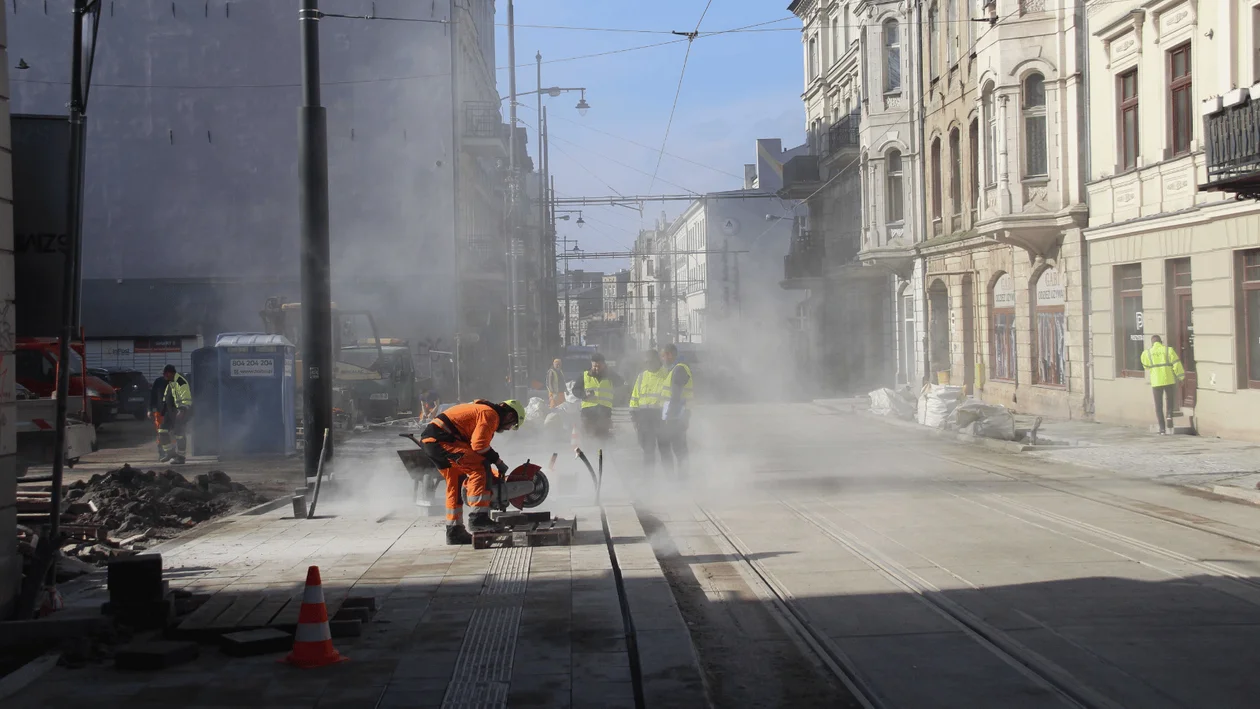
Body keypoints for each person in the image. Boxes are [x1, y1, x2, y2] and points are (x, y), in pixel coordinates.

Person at [419, 398, 525, 545]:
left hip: (433, 442)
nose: (508, 429)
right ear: (510, 416)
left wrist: (495, 473)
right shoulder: (490, 415)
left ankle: (454, 531)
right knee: (480, 468)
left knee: (456, 483)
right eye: (512, 425)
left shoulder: (482, 410)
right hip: (442, 440)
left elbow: (474, 446)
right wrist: (498, 461)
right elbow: (479, 446)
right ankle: (478, 518)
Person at [629, 349, 667, 474]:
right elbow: (634, 399)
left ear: (658, 360)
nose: (648, 364)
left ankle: (670, 477)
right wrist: (634, 418)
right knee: (648, 450)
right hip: (645, 419)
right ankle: (648, 480)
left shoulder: (667, 375)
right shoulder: (641, 377)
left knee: (665, 449)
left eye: (651, 361)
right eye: (646, 362)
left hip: (662, 418)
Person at [659, 343, 694, 477]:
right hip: (678, 414)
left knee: (678, 448)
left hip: (677, 416)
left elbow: (676, 395)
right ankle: (680, 477)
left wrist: (669, 416)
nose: (663, 359)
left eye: (664, 355)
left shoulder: (679, 369)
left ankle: (681, 478)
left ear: (670, 355)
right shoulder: (675, 369)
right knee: (678, 448)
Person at [1141, 334, 1185, 435]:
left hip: (1156, 381)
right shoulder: (1168, 350)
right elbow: (1177, 364)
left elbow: (1145, 365)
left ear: (1152, 343)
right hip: (1168, 379)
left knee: (1158, 405)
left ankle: (1162, 429)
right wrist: (1181, 377)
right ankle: (1169, 415)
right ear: (1161, 342)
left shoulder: (1147, 353)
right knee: (1170, 399)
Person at [579, 353, 622, 439]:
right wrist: (584, 395)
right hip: (588, 411)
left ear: (604, 364)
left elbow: (620, 382)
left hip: (604, 410)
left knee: (603, 436)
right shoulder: (585, 375)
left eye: (599, 366)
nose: (597, 368)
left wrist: (609, 372)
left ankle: (602, 451)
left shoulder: (610, 375)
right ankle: (589, 451)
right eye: (594, 366)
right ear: (591, 364)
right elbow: (575, 390)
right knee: (588, 436)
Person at [157, 365, 193, 464]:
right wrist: (163, 410)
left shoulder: (181, 382)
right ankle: (170, 453)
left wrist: (182, 410)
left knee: (179, 435)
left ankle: (181, 457)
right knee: (162, 431)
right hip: (170, 412)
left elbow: (186, 398)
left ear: (170, 373)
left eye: (165, 374)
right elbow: (166, 396)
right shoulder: (171, 383)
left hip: (180, 412)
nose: (164, 376)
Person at [147, 372, 169, 460]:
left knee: (171, 433)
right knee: (161, 433)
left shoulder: (175, 382)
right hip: (160, 412)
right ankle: (162, 453)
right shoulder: (158, 381)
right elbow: (152, 396)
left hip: (171, 412)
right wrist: (149, 409)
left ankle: (170, 452)